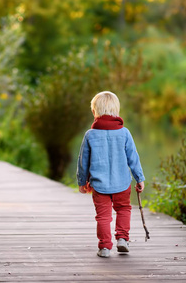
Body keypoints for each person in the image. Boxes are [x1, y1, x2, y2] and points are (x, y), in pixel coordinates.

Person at [77, 91, 145, 258]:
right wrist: (139, 178)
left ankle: (105, 247)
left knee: (103, 216)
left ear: (95, 112)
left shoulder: (90, 135)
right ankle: (122, 238)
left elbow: (83, 161)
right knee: (123, 209)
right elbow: (133, 158)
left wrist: (81, 181)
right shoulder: (124, 133)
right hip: (122, 182)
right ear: (117, 111)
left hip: (99, 185)